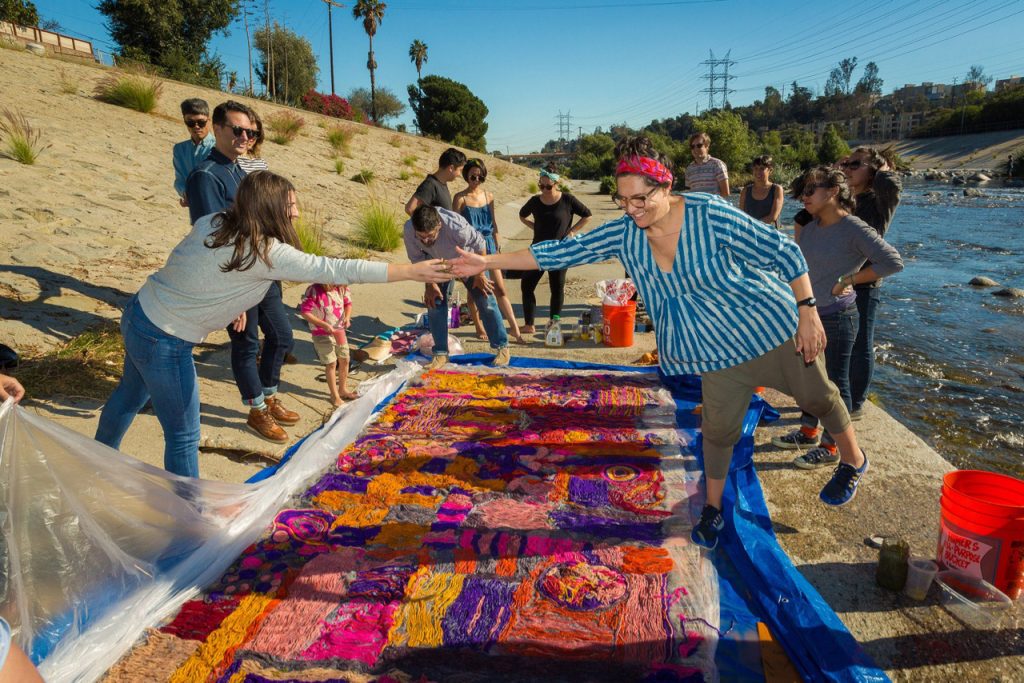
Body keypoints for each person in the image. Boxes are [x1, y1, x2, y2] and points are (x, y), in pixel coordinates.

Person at [451, 135, 871, 550]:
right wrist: (486, 260)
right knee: (718, 431)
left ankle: (853, 460)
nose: (631, 209)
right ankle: (712, 508)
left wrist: (807, 311)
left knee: (817, 398)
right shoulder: (624, 234)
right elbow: (557, 253)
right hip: (715, 348)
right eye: (622, 200)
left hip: (769, 328)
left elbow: (783, 251)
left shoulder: (709, 213)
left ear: (665, 186)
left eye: (640, 199)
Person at [95, 171, 450, 477]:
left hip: (139, 313)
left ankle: (97, 462)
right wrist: (409, 271)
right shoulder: (265, 252)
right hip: (166, 340)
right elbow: (336, 268)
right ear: (270, 208)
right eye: (290, 204)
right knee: (184, 435)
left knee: (129, 396)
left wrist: (235, 302)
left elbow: (192, 264)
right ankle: (189, 516)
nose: (296, 211)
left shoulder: (216, 221)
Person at [772, 168, 903, 469]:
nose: (803, 197)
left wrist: (849, 279)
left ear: (832, 191)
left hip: (837, 318)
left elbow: (893, 261)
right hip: (808, 317)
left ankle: (831, 447)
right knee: (809, 380)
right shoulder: (812, 227)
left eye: (810, 191)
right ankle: (808, 432)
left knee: (835, 384)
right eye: (802, 192)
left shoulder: (853, 227)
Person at [405, 205, 510, 371]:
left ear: (439, 225)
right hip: (437, 263)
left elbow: (480, 244)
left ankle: (502, 347)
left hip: (466, 259)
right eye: (421, 237)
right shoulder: (410, 229)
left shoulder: (456, 226)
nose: (425, 241)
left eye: (430, 236)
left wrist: (480, 275)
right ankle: (440, 353)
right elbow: (418, 261)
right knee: (434, 304)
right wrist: (430, 285)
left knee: (485, 299)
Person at [841, 147, 902, 420]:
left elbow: (893, 185)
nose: (849, 168)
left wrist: (881, 170)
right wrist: (841, 168)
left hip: (865, 281)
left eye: (856, 164)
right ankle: (839, 393)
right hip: (839, 279)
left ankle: (855, 403)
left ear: (874, 171)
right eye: (847, 163)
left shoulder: (880, 201)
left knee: (861, 342)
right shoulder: (846, 198)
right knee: (840, 341)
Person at [453, 158, 526, 344]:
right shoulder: (460, 198)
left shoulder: (488, 196)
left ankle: (515, 331)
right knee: (476, 290)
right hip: (472, 247)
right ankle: (478, 326)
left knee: (500, 288)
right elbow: (455, 228)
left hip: (490, 246)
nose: (476, 180)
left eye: (480, 176)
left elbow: (494, 222)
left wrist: (497, 243)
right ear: (466, 176)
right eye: (473, 176)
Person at [517, 165, 592, 333]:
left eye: (548, 186)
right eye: (541, 186)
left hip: (559, 252)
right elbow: (522, 215)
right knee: (527, 284)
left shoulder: (568, 200)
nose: (544, 190)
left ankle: (554, 324)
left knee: (556, 288)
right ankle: (529, 324)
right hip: (538, 251)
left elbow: (587, 215)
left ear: (557, 184)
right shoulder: (535, 201)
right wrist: (534, 227)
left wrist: (572, 231)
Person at [300, 283, 357, 406]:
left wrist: (347, 317)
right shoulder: (314, 290)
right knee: (331, 363)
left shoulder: (342, 288)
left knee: (345, 359)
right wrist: (323, 324)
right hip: (321, 332)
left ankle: (342, 389)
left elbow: (348, 303)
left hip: (339, 330)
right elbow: (305, 312)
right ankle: (334, 395)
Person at [172, 98, 215, 208]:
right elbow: (180, 180)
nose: (196, 126)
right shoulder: (179, 149)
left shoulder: (220, 147)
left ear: (209, 121)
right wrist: (186, 194)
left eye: (201, 122)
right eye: (190, 122)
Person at [404, 147, 467, 215]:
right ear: (451, 168)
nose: (459, 174)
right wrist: (427, 222)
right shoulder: (430, 185)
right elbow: (410, 208)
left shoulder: (441, 184)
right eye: (460, 170)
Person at [739, 155, 783, 226]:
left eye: (762, 168)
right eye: (756, 168)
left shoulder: (776, 189)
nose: (758, 172)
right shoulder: (745, 190)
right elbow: (741, 215)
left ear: (770, 170)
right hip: (748, 230)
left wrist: (753, 225)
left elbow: (773, 217)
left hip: (769, 231)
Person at [684, 132, 729, 197]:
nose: (695, 149)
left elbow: (726, 193)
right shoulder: (689, 169)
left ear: (707, 146)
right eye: (692, 146)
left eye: (699, 145)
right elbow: (690, 192)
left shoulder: (717, 165)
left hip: (714, 203)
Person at [237, 109, 269, 174]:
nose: (252, 138)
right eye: (248, 133)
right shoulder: (230, 161)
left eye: (256, 134)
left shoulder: (261, 164)